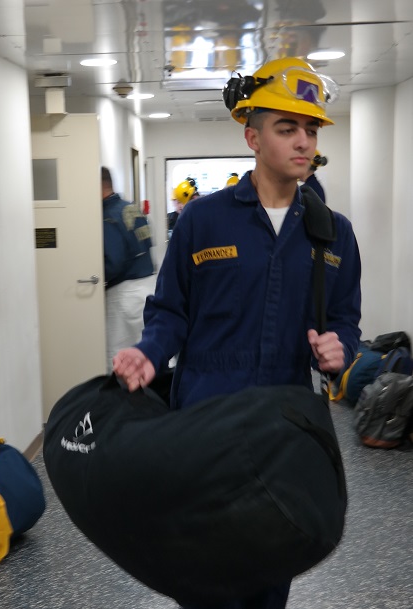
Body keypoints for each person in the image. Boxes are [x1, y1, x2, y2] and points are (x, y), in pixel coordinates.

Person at [113, 56, 361, 609]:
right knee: (204, 571)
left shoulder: (333, 232)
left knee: (272, 568)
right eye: (287, 127)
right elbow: (171, 310)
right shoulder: (202, 220)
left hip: (285, 426)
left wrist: (339, 349)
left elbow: (346, 320)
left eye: (311, 128)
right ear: (252, 135)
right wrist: (151, 353)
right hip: (205, 417)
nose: (303, 140)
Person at [101, 166, 156, 373]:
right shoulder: (130, 208)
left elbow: (113, 263)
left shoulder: (107, 216)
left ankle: (121, 402)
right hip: (147, 286)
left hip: (123, 294)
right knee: (145, 351)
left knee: (117, 355)